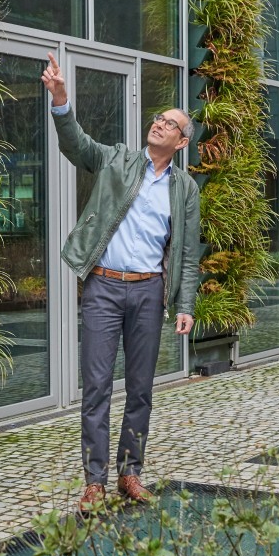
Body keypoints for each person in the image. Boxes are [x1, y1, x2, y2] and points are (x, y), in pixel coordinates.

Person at [41, 56, 201, 509]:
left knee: (141, 388)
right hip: (104, 288)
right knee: (96, 387)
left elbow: (188, 253)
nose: (159, 125)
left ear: (182, 141)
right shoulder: (117, 160)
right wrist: (60, 100)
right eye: (157, 118)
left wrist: (184, 303)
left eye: (169, 124)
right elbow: (77, 146)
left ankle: (130, 473)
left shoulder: (185, 189)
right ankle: (94, 480)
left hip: (149, 292)